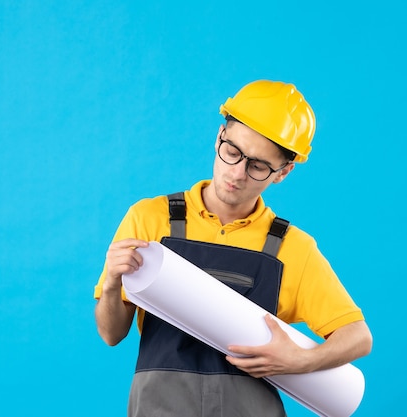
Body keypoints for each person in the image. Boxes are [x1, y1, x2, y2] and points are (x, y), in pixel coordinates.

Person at [93, 80, 373, 417]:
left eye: (256, 166)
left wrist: (301, 360)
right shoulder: (151, 218)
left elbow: (358, 337)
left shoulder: (292, 248)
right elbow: (111, 334)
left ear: (282, 173)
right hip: (160, 406)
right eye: (233, 152)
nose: (236, 173)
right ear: (219, 137)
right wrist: (111, 284)